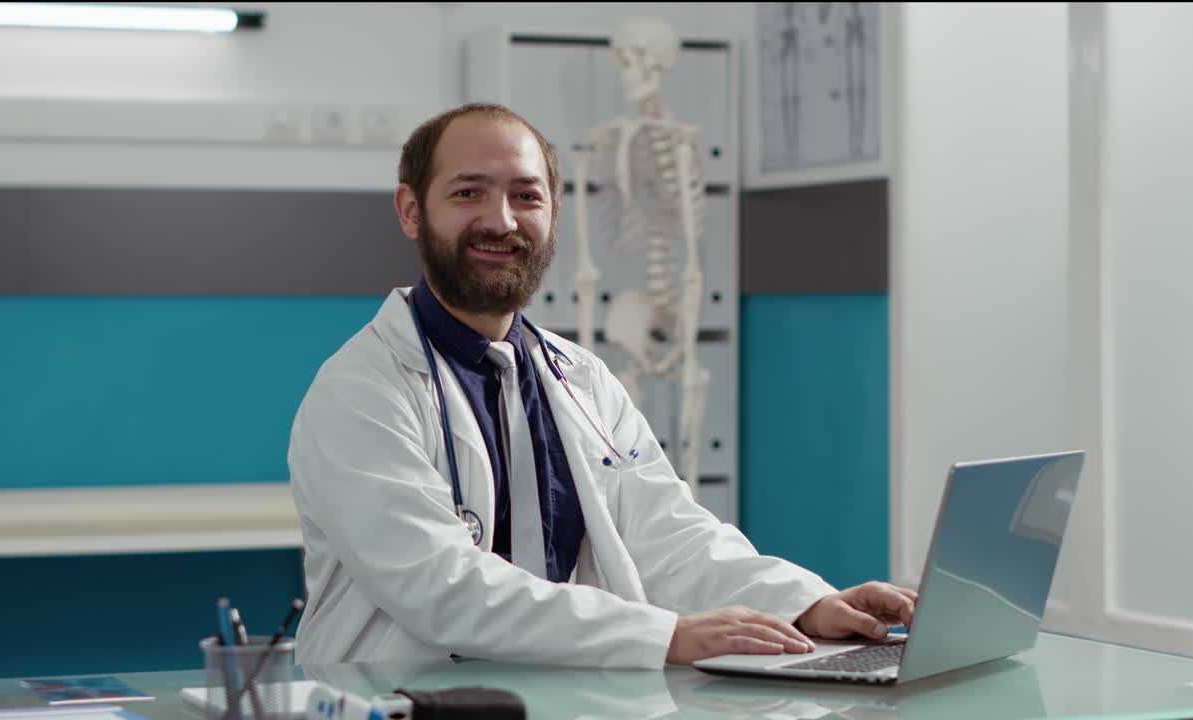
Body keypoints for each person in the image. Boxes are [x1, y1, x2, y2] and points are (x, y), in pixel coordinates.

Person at [287, 102, 916, 669]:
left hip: (560, 694)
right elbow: (442, 588)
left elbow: (667, 534)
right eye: (468, 193)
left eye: (526, 196)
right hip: (396, 700)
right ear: (411, 211)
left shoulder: (579, 378)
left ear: (554, 213)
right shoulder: (362, 391)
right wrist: (664, 636)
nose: (500, 220)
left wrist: (806, 603)